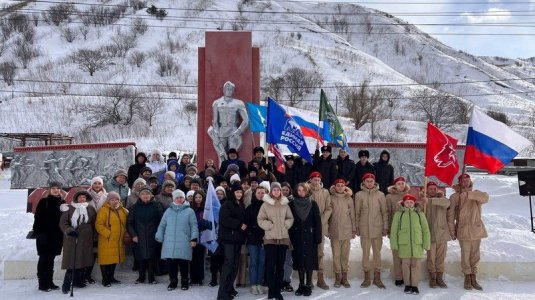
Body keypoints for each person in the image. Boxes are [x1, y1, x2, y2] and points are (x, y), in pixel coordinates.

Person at [447, 174, 489, 291]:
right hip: (463, 229)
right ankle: (467, 276)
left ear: (470, 181)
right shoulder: (455, 196)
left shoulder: (476, 193)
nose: (465, 182)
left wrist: (469, 194)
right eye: (463, 181)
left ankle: (473, 277)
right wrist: (452, 231)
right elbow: (450, 216)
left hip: (476, 229)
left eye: (467, 180)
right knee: (465, 255)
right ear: (459, 182)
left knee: (475, 255)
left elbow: (485, 198)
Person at [156, 189, 199, 291]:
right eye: (177, 197)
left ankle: (184, 282)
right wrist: (159, 236)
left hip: (184, 241)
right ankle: (173, 282)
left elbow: (194, 226)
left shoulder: (190, 211)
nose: (179, 199)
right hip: (169, 242)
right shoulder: (168, 211)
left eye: (181, 197)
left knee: (184, 263)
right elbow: (162, 225)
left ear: (184, 198)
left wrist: (194, 239)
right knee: (172, 264)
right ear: (174, 199)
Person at [257, 182, 294, 300]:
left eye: (278, 190)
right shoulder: (265, 204)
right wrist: (269, 225)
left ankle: (277, 291)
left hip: (283, 239)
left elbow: (290, 218)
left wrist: (286, 224)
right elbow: (260, 219)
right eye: (275, 190)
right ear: (271, 192)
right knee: (270, 266)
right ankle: (271, 290)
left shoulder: (285, 204)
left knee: (280, 267)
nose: (277, 192)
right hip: (270, 239)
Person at [390, 194, 431, 295]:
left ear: (414, 203)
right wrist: (394, 244)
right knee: (405, 266)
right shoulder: (399, 214)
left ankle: (415, 285)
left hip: (417, 244)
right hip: (404, 245)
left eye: (411, 202)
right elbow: (394, 230)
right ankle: (407, 285)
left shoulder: (419, 213)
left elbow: (425, 229)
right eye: (407, 202)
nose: (409, 204)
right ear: (403, 203)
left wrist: (426, 243)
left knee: (415, 266)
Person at [354, 173, 388, 289]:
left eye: (371, 181)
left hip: (377, 228)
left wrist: (385, 227)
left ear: (374, 182)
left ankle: (377, 277)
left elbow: (384, 212)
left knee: (377, 253)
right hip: (364, 229)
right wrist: (357, 227)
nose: (369, 183)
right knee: (366, 253)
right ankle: (367, 277)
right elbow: (357, 213)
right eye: (367, 181)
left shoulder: (381, 195)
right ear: (363, 182)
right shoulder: (359, 195)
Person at [59, 190, 97, 293]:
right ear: (76, 198)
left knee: (82, 260)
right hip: (72, 238)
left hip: (86, 239)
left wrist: (94, 237)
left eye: (84, 197)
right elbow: (63, 222)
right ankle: (66, 284)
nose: (82, 199)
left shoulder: (91, 209)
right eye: (80, 197)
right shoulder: (69, 208)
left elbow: (94, 224)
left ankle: (78, 281)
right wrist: (69, 231)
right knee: (71, 261)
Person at [289, 183, 322, 296]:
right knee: (299, 261)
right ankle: (301, 285)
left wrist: (318, 237)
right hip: (297, 237)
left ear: (307, 191)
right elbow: (290, 222)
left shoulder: (313, 204)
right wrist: (290, 238)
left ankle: (308, 285)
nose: (301, 192)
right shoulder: (292, 204)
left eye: (303, 190)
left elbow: (317, 222)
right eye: (299, 190)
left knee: (309, 261)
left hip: (310, 237)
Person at [33, 181, 65, 291]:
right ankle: (42, 283)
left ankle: (50, 282)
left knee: (51, 260)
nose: (56, 190)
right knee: (44, 259)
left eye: (58, 188)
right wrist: (39, 233)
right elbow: (37, 219)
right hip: (44, 236)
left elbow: (64, 219)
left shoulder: (62, 202)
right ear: (50, 189)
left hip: (56, 237)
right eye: (54, 188)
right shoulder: (43, 202)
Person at [127, 186, 163, 285]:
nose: (145, 195)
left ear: (151, 195)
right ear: (140, 196)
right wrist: (133, 235)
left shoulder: (157, 206)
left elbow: (162, 221)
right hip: (138, 236)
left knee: (152, 257)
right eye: (143, 194)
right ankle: (141, 277)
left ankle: (151, 278)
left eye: (147, 194)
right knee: (140, 257)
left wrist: (159, 234)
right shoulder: (134, 207)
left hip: (153, 235)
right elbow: (129, 223)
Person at [217, 183, 247, 300]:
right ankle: (222, 294)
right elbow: (225, 220)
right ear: (232, 193)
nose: (239, 194)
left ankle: (229, 289)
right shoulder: (227, 204)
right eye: (237, 192)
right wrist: (239, 224)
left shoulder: (241, 205)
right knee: (228, 264)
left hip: (238, 239)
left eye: (240, 192)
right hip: (228, 239)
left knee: (235, 265)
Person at [207, 81, 250, 163]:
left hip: (233, 130)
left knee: (233, 155)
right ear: (223, 90)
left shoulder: (238, 103)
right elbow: (215, 121)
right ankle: (222, 173)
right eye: (227, 89)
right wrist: (216, 132)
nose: (229, 90)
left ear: (233, 91)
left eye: (231, 89)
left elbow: (246, 120)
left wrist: (238, 132)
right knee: (221, 155)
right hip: (221, 131)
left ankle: (233, 172)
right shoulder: (217, 103)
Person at [420, 181, 450, 289]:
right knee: (431, 257)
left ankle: (439, 277)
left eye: (434, 188)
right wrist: (423, 203)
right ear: (426, 190)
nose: (432, 190)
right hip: (430, 234)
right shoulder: (422, 201)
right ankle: (432, 277)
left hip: (442, 234)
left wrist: (430, 201)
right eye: (430, 188)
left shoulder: (443, 199)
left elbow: (447, 204)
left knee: (440, 258)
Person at [95, 191, 128, 287]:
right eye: (112, 199)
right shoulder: (103, 210)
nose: (115, 201)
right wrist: (109, 234)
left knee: (114, 259)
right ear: (108, 200)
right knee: (105, 260)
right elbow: (98, 225)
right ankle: (105, 279)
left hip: (118, 240)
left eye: (117, 199)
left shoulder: (122, 210)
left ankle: (111, 277)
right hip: (107, 240)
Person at [328, 178, 356, 288]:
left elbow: (352, 215)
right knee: (336, 255)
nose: (340, 187)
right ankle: (337, 277)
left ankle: (345, 277)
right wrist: (327, 228)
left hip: (346, 230)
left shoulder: (349, 199)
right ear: (335, 187)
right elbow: (328, 214)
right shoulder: (331, 198)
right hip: (334, 230)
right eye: (338, 185)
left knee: (345, 255)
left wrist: (353, 229)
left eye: (342, 185)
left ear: (345, 187)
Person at [385, 176, 411, 287]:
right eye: (398, 183)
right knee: (396, 254)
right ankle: (398, 277)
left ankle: (407, 276)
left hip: (407, 230)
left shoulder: (408, 196)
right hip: (394, 229)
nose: (401, 185)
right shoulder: (389, 197)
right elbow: (387, 213)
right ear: (395, 185)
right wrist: (388, 228)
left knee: (405, 255)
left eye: (402, 183)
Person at [308, 171, 332, 290]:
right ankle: (310, 278)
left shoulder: (325, 192)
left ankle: (320, 278)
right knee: (310, 253)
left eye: (318, 179)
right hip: (309, 227)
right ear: (310, 180)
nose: (316, 182)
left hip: (321, 227)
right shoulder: (307, 191)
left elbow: (329, 208)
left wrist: (320, 221)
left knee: (320, 252)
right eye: (314, 179)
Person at [245, 185, 267, 295]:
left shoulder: (268, 206)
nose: (260, 195)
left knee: (262, 263)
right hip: (253, 240)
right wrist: (250, 233)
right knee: (253, 262)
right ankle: (253, 284)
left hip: (264, 239)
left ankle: (259, 283)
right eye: (259, 192)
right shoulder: (250, 208)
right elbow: (247, 224)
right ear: (255, 194)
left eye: (263, 193)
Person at [190, 190, 211, 285]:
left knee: (200, 258)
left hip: (202, 236)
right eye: (196, 197)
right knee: (192, 258)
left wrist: (202, 223)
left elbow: (209, 223)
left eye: (200, 197)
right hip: (192, 236)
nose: (198, 199)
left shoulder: (206, 209)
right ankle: (192, 277)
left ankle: (200, 278)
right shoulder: (191, 209)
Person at [280, 182, 295, 293]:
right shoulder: (275, 201)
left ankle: (286, 281)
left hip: (289, 234)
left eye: (286, 190)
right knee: (278, 260)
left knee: (288, 260)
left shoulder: (293, 202)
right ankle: (279, 280)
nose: (284, 192)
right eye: (283, 189)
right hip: (277, 234)